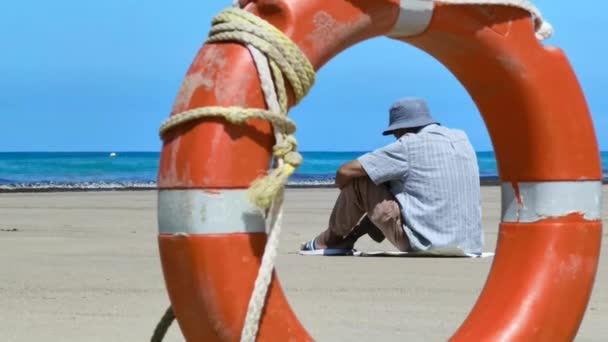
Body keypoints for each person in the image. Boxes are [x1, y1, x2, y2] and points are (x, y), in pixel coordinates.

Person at [299, 97, 483, 256]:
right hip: (469, 243)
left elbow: (345, 171)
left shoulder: (408, 144)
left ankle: (330, 240)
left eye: (395, 132)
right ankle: (352, 237)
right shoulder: (462, 139)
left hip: (425, 243)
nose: (395, 136)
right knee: (392, 180)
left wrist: (346, 191)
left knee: (361, 179)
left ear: (403, 128)